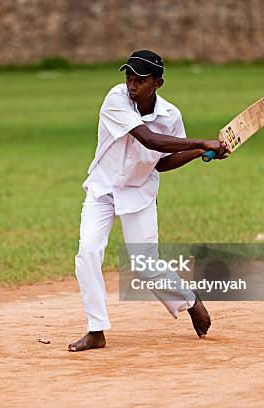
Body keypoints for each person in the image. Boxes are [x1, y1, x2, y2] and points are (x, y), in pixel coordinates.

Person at [68, 50, 228, 352]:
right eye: (129, 76)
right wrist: (201, 142)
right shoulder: (115, 99)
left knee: (145, 265)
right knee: (88, 251)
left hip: (139, 191)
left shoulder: (171, 116)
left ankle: (190, 300)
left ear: (158, 83)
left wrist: (199, 153)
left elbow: (162, 161)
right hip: (102, 189)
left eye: (140, 79)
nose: (132, 84)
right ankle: (96, 330)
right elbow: (150, 141)